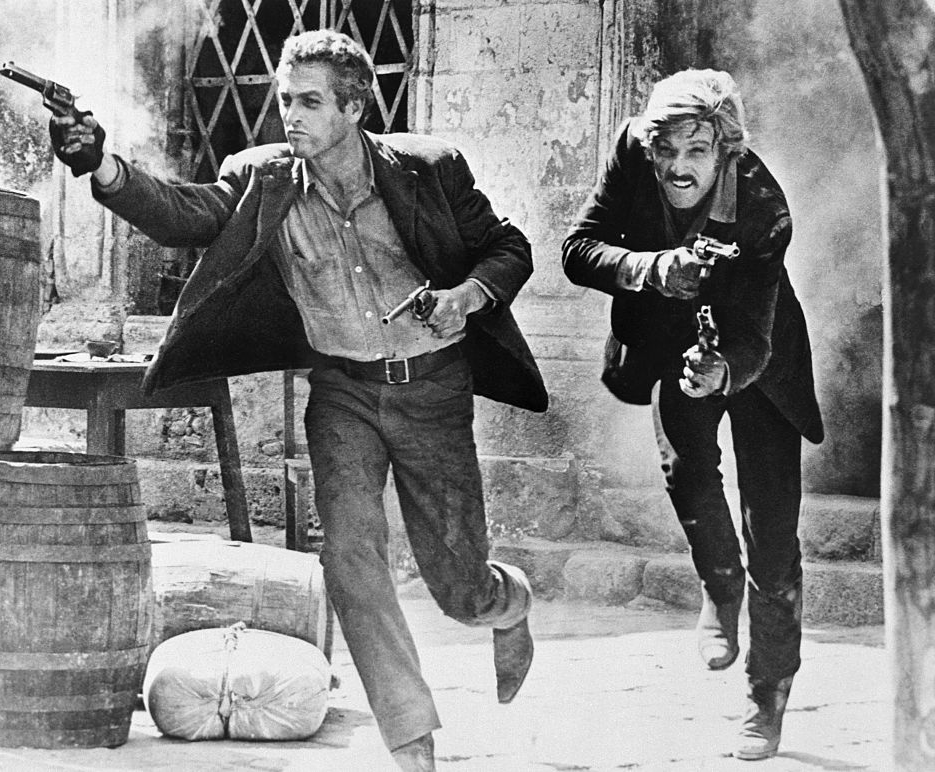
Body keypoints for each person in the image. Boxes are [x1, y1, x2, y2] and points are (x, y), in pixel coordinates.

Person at [50, 29, 547, 771]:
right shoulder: (265, 179)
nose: (291, 115)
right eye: (285, 100)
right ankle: (411, 741)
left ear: (354, 108)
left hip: (432, 390)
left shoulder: (429, 169)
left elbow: (509, 247)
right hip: (343, 393)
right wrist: (101, 165)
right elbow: (183, 213)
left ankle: (504, 602)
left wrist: (465, 298)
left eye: (310, 102)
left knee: (457, 585)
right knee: (349, 557)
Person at [561, 69, 823, 761]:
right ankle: (720, 584)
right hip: (671, 336)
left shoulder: (764, 207)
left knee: (773, 532)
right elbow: (577, 251)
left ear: (725, 149)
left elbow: (756, 337)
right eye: (666, 150)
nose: (678, 167)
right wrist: (649, 269)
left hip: (758, 357)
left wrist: (724, 372)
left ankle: (766, 694)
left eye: (697, 150)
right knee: (685, 471)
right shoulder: (632, 149)